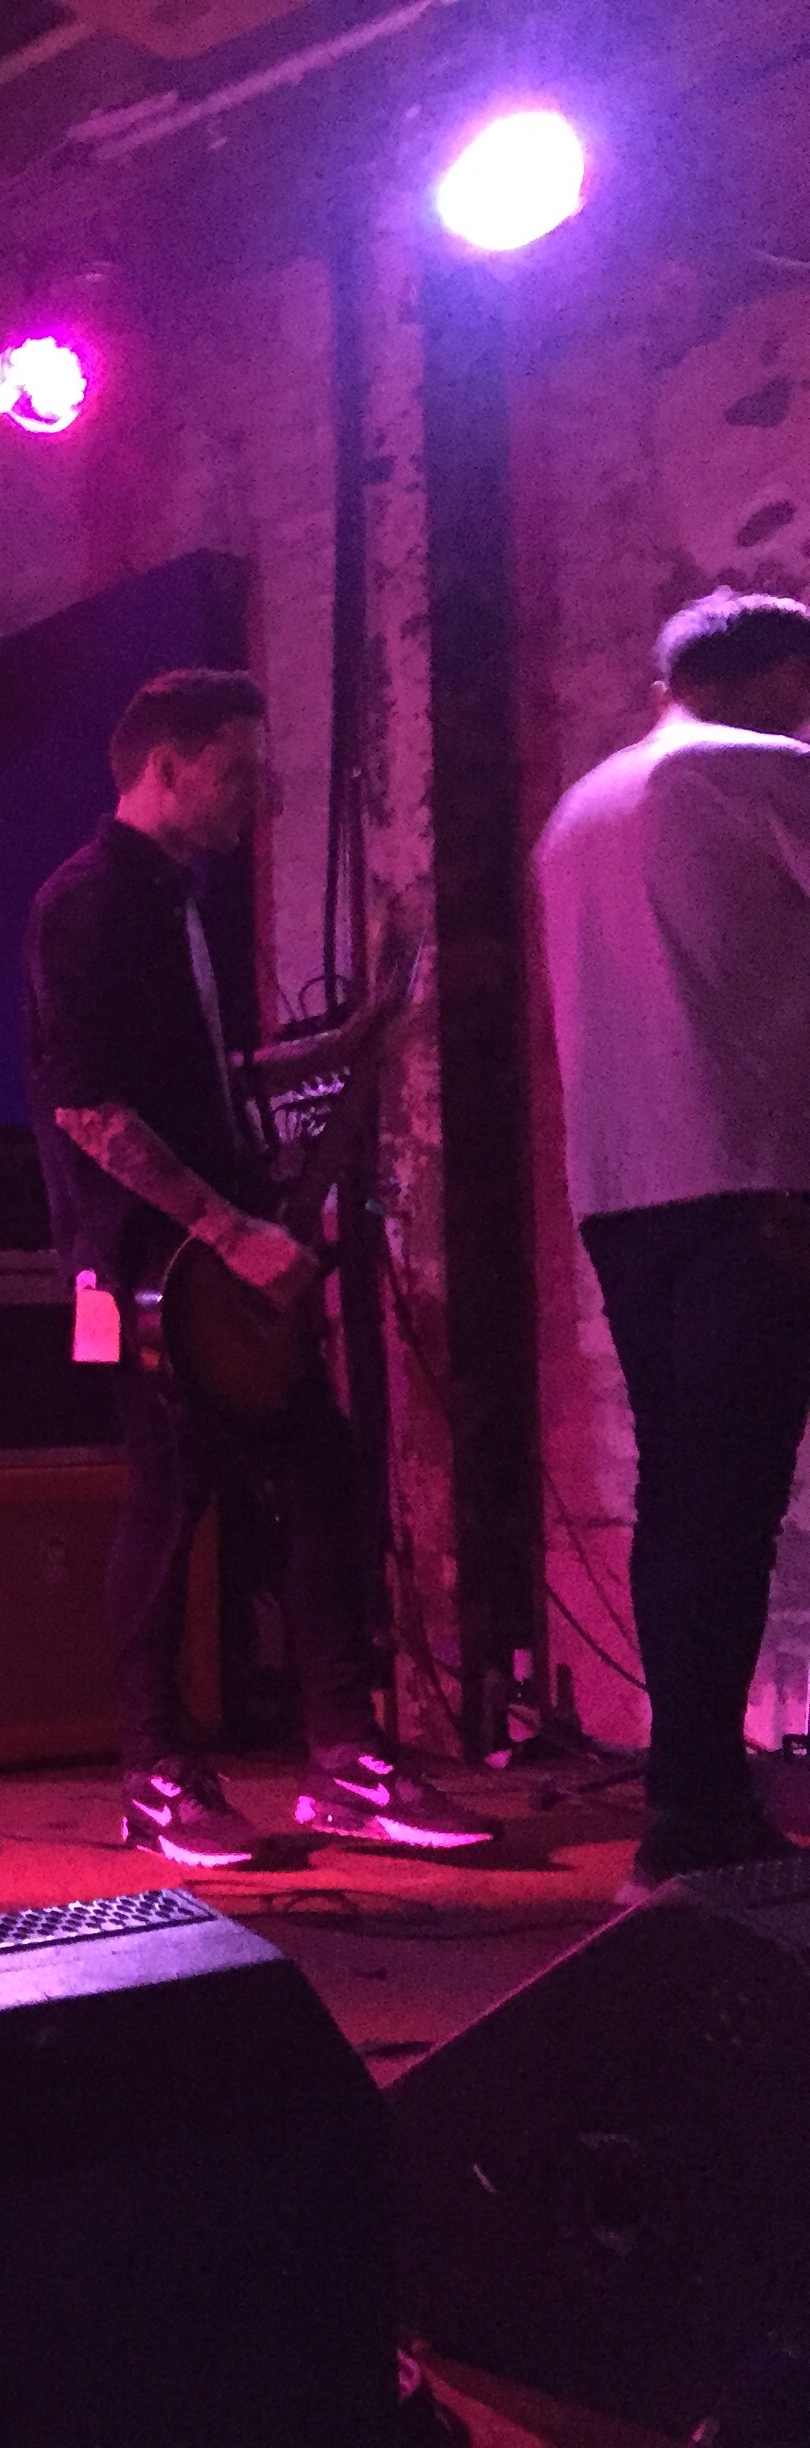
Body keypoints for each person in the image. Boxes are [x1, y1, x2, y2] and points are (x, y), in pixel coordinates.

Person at [25, 666, 496, 1867]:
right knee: (172, 1494)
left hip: (211, 1255)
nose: (257, 795)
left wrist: (339, 1047)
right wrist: (229, 1230)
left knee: (318, 1473)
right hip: (152, 1263)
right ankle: (156, 1776)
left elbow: (191, 1081)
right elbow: (90, 1110)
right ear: (164, 768)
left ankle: (341, 1761)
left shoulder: (173, 901)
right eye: (235, 771)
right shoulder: (87, 905)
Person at [534, 590, 810, 1901]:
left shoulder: (576, 813)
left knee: (684, 1498)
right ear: (777, 674)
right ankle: (696, 1817)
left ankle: (691, 1796)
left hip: (625, 1192)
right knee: (733, 1506)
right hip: (754, 1182)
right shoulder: (762, 771)